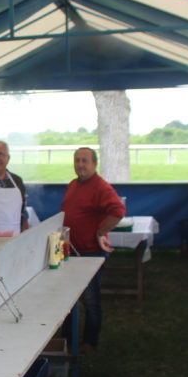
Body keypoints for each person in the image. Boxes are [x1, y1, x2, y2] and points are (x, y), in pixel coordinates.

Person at [61, 147, 126, 353]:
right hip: (71, 251)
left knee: (90, 299)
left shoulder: (100, 187)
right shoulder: (73, 184)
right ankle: (67, 339)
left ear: (94, 164)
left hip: (90, 253)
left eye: (84, 161)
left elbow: (118, 211)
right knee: (68, 299)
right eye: (77, 160)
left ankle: (90, 342)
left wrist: (100, 232)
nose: (80, 164)